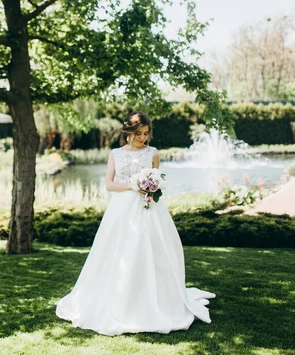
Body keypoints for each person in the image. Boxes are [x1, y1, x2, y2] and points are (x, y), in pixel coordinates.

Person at [55, 111, 215, 335]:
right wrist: (133, 185)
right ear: (128, 132)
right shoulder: (115, 154)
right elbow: (110, 185)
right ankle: (120, 300)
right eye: (139, 133)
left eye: (146, 133)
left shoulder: (153, 153)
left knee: (153, 251)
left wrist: (150, 190)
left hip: (149, 209)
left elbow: (157, 182)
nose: (143, 138)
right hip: (121, 210)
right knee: (119, 252)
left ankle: (155, 300)